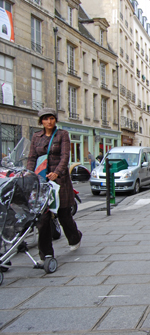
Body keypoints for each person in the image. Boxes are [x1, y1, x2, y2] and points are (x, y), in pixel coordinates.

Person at [26, 108, 83, 265]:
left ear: (55, 120)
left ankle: (75, 237)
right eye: (45, 119)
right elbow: (32, 157)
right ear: (41, 121)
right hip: (42, 181)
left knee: (64, 214)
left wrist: (57, 172)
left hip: (60, 181)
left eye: (51, 118)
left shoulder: (62, 134)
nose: (49, 122)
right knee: (43, 218)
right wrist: (30, 174)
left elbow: (65, 156)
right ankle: (46, 255)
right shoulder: (36, 136)